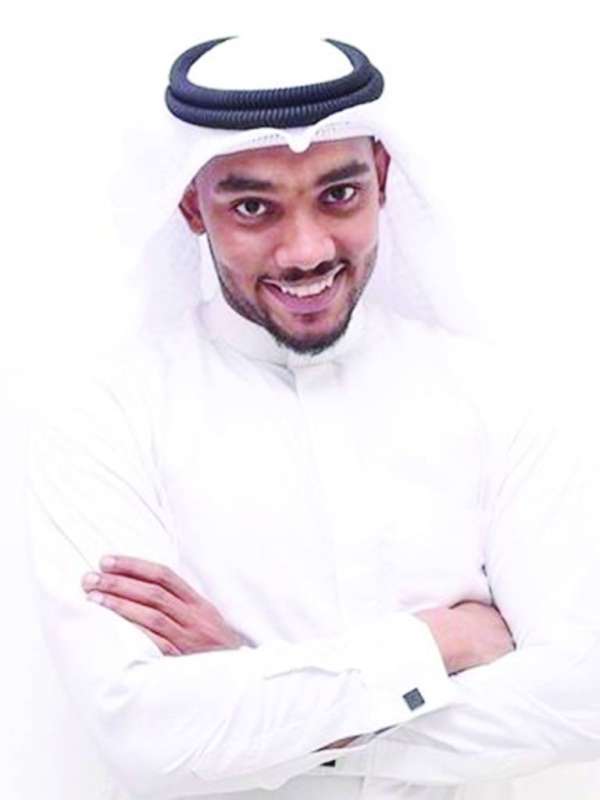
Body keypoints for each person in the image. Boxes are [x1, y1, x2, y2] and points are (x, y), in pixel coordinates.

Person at [26, 35, 600, 800]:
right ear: (193, 204)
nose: (304, 250)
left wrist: (251, 695)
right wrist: (438, 643)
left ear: (382, 178)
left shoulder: (500, 396)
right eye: (253, 207)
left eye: (339, 196)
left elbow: (583, 698)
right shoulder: (103, 416)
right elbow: (145, 738)